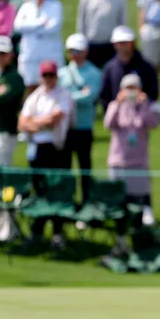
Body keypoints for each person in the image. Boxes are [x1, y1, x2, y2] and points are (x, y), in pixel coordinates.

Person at [17, 60, 72, 250]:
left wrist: (33, 123)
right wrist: (39, 123)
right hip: (38, 150)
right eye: (45, 75)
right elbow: (22, 122)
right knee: (39, 190)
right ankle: (37, 232)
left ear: (56, 76)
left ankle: (57, 232)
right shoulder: (35, 96)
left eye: (51, 75)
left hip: (57, 149)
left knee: (57, 190)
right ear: (41, 77)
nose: (48, 79)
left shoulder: (63, 94)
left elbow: (55, 119)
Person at [104, 73, 160, 253]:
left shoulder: (144, 105)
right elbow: (108, 123)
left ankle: (137, 241)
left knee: (138, 202)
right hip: (119, 162)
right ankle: (120, 240)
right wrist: (117, 103)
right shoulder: (115, 105)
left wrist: (144, 104)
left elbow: (153, 123)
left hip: (138, 162)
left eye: (134, 88)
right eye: (127, 88)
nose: (130, 92)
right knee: (119, 203)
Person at [59, 33, 102, 204]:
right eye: (71, 51)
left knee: (85, 168)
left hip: (84, 127)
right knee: (65, 168)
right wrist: (78, 95)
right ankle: (67, 202)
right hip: (65, 128)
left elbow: (90, 97)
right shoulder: (62, 73)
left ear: (85, 51)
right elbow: (60, 97)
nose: (74, 54)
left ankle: (87, 202)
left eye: (78, 51)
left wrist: (69, 97)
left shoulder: (94, 73)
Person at [12, 0, 63, 95]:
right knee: (29, 86)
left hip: (48, 53)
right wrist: (40, 23)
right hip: (30, 53)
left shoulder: (55, 6)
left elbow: (52, 28)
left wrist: (29, 27)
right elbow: (18, 26)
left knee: (50, 86)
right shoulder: (26, 6)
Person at [0, 35, 24, 193]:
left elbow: (4, 100)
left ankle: (4, 206)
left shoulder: (15, 78)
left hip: (5, 131)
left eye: (3, 53)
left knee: (0, 172)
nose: (0, 57)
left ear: (10, 55)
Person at [77, 0, 129, 69]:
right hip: (91, 44)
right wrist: (81, 43)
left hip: (111, 45)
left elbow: (122, 23)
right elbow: (81, 22)